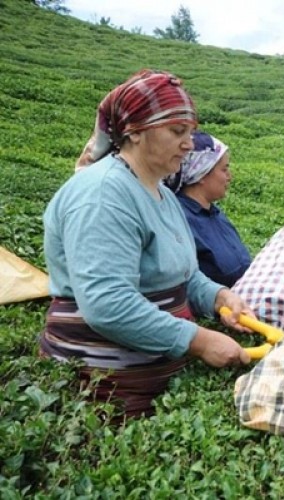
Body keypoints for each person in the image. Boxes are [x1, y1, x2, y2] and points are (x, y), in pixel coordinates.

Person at [40, 69, 252, 419]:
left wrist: (218, 297)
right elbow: (106, 303)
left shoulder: (163, 194)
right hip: (106, 387)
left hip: (161, 373)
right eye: (177, 132)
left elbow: (184, 274)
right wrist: (199, 341)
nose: (188, 143)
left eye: (190, 132)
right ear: (135, 132)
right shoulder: (103, 194)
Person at [165, 131, 253, 288]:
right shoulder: (181, 219)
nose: (229, 177)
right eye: (224, 169)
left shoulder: (215, 213)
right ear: (202, 174)